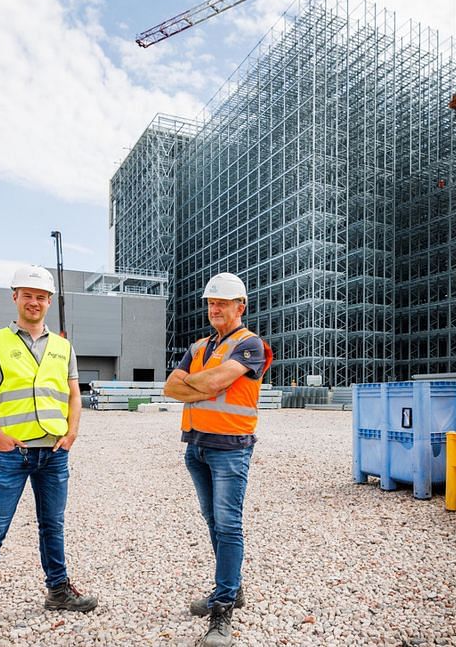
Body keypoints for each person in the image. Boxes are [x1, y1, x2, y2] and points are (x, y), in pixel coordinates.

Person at [0, 265, 95, 647]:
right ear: (15, 297)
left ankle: (58, 591)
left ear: (49, 301)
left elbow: (72, 394)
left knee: (53, 526)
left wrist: (72, 432)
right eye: (27, 294)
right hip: (11, 455)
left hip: (53, 454)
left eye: (41, 296)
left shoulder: (63, 346)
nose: (34, 301)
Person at [164, 272, 273, 647]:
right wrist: (205, 383)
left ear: (241, 306)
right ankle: (232, 588)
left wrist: (194, 386)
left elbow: (203, 386)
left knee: (228, 525)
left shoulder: (251, 345)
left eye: (223, 303)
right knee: (213, 522)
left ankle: (223, 605)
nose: (215, 309)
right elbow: (169, 387)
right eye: (212, 303)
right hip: (195, 446)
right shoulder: (198, 347)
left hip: (231, 448)